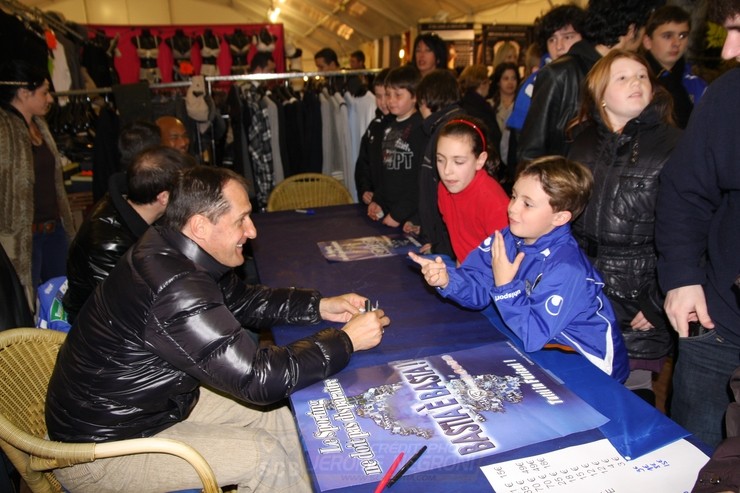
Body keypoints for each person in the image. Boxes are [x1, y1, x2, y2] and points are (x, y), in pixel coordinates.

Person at [46, 166, 390, 493]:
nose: (252, 231)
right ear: (199, 226)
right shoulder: (175, 286)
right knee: (263, 455)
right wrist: (345, 340)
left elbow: (240, 300)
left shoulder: (173, 245)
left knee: (280, 420)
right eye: (241, 219)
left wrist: (319, 306)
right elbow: (258, 378)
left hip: (142, 406)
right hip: (99, 451)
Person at [409, 156, 629, 382]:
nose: (512, 208)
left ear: (560, 217)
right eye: (514, 196)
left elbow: (534, 335)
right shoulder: (508, 237)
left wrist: (505, 286)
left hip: (590, 366)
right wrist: (448, 280)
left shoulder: (567, 269)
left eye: (527, 204)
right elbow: (479, 286)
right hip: (548, 348)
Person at [567, 50, 681, 404]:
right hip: (583, 295)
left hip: (639, 302)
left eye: (643, 76)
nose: (637, 82)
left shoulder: (675, 146)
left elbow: (689, 231)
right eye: (623, 77)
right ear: (600, 93)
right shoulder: (580, 143)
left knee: (631, 400)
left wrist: (659, 298)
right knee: (580, 396)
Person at [655, 0, 740, 449]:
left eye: (739, 30)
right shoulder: (729, 95)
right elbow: (685, 189)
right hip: (720, 321)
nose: (728, 50)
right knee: (695, 457)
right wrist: (682, 276)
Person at [518, 0, 663, 162]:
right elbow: (529, 153)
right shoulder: (560, 74)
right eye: (644, 30)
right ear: (631, 30)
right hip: (567, 183)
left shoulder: (636, 74)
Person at [63, 146, 193, 323]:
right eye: (185, 192)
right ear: (163, 198)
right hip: (101, 331)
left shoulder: (135, 206)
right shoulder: (108, 243)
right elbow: (122, 311)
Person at [0, 60, 76, 306]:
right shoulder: (4, 131)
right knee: (24, 302)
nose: (50, 98)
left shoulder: (40, 127)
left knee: (62, 297)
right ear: (24, 93)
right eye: (44, 92)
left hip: (54, 231)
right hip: (22, 237)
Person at [405, 69, 464, 258]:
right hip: (439, 238)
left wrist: (442, 246)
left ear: (425, 101)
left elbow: (455, 197)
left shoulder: (448, 133)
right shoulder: (441, 129)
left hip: (448, 245)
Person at [435, 118, 509, 263]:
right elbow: (461, 245)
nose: (446, 171)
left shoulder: (493, 202)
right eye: (440, 160)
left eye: (459, 162)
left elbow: (506, 261)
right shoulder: (444, 188)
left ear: (480, 160)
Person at [507, 4, 586, 133]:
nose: (559, 46)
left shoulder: (599, 73)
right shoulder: (534, 84)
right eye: (552, 39)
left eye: (567, 37)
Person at [367, 65, 426, 228]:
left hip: (411, 216)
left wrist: (400, 215)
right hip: (391, 211)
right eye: (388, 94)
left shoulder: (420, 129)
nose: (390, 100)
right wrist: (378, 200)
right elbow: (387, 174)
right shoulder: (389, 128)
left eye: (398, 95)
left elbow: (420, 181)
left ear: (414, 96)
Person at [642, 5, 708, 128]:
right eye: (667, 36)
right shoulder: (635, 82)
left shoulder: (697, 85)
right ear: (647, 41)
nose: (676, 43)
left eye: (683, 36)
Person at [354, 68, 392, 205]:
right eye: (378, 96)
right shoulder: (374, 127)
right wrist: (365, 190)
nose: (382, 102)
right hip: (375, 203)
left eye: (386, 96)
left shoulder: (406, 128)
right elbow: (363, 164)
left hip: (396, 207)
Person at [458, 64, 503, 161]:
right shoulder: (481, 108)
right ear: (482, 83)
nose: (489, 85)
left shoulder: (465, 104)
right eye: (487, 81)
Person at [490, 62, 521, 187]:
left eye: (513, 78)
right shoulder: (489, 105)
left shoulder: (522, 106)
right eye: (506, 78)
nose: (510, 83)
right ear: (498, 81)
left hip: (515, 160)